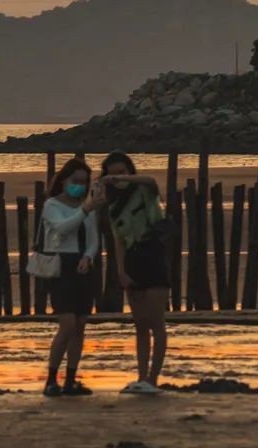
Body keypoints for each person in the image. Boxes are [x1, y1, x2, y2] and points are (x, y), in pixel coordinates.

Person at [100, 151, 170, 395]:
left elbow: (151, 181)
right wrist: (121, 271)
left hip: (153, 254)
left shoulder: (144, 190)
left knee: (156, 321)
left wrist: (127, 180)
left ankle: (153, 378)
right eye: (113, 173)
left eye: (122, 171)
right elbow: (118, 241)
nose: (117, 177)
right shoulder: (113, 207)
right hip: (133, 260)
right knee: (140, 324)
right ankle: (141, 377)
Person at [41, 157, 102, 397]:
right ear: (64, 180)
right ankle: (51, 378)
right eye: (75, 181)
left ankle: (70, 380)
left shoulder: (87, 208)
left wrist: (88, 257)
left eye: (83, 182)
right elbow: (61, 229)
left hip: (82, 266)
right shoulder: (52, 206)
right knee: (66, 325)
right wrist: (85, 209)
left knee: (79, 326)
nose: (79, 186)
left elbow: (93, 238)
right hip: (61, 266)